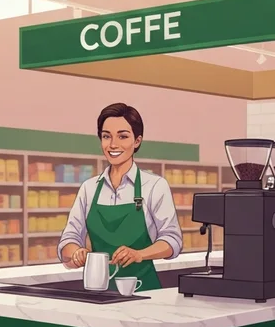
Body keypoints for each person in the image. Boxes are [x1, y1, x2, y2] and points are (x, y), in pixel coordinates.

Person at [58, 103, 182, 292]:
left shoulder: (155, 186)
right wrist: (76, 252)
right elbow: (69, 237)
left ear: (137, 141)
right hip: (99, 291)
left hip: (145, 292)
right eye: (107, 136)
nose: (113, 144)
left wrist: (139, 254)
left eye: (122, 136)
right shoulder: (89, 189)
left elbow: (172, 240)